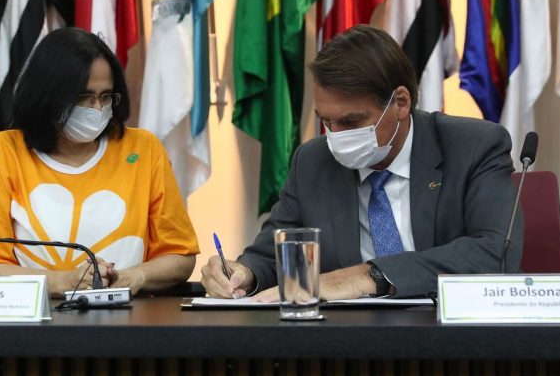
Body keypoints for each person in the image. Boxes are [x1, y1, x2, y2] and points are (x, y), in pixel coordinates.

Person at [201, 25, 522, 301]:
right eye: (326, 121)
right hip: (348, 338)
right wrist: (244, 273)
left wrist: (370, 276)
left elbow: (495, 251)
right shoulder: (312, 161)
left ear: (400, 103)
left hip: (447, 336)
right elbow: (275, 255)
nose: (335, 135)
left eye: (351, 121)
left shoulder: (473, 146)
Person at [0, 28, 199, 297]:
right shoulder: (1, 153)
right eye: (84, 97)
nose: (97, 109)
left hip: (129, 316)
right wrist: (61, 282)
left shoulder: (143, 150)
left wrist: (137, 275)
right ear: (46, 94)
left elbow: (180, 256)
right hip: (37, 319)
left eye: (106, 96)